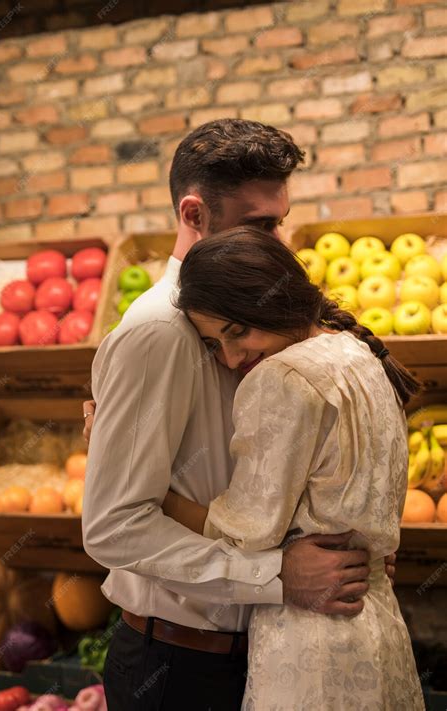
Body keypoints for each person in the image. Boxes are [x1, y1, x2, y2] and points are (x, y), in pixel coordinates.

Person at [82, 119, 394, 711]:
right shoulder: (158, 333)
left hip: (265, 647)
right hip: (181, 666)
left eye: (281, 220)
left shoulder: (252, 314)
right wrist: (277, 575)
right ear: (194, 214)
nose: (279, 240)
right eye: (261, 224)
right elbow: (113, 524)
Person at [172, 226, 424, 711]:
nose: (230, 357)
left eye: (237, 331)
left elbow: (247, 533)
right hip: (379, 626)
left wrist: (150, 490)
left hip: (314, 643)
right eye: (215, 344)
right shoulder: (359, 353)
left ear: (277, 300)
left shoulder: (283, 377)